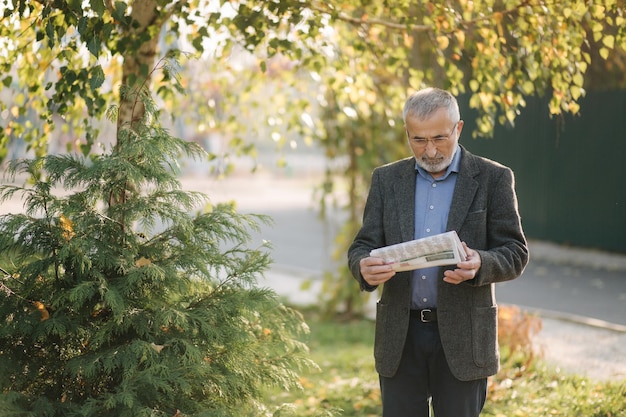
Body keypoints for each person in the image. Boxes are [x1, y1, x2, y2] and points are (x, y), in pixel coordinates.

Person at [347, 87, 529, 417]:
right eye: (418, 139)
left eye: (439, 138)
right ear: (407, 133)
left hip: (464, 337)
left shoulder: (494, 178)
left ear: (458, 128)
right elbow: (362, 246)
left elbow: (515, 251)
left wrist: (480, 263)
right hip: (400, 338)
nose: (430, 150)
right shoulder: (386, 180)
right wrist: (363, 267)